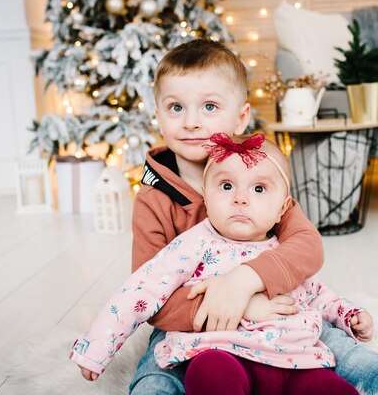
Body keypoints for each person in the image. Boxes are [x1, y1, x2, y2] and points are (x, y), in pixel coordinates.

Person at [124, 39, 378, 394]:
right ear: (157, 114)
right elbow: (147, 296)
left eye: (210, 106)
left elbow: (307, 246)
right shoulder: (153, 199)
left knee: (354, 358)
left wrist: (246, 280)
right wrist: (243, 307)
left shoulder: (262, 176)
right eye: (175, 107)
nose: (191, 122)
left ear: (241, 117)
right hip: (192, 329)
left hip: (279, 318)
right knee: (155, 378)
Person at [71, 133, 361, 395]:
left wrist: (348, 313)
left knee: (332, 389)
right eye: (226, 186)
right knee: (210, 375)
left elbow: (316, 292)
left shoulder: (282, 249)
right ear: (206, 199)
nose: (241, 199)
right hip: (222, 354)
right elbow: (142, 287)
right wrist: (98, 346)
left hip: (295, 362)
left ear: (282, 209)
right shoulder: (195, 244)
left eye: (259, 189)